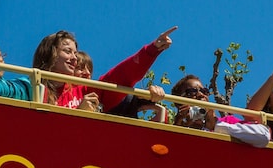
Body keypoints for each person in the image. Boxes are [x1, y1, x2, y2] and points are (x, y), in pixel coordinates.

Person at [31, 27, 175, 112]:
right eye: (68, 51)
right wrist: (79, 113)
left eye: (75, 53)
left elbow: (121, 75)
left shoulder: (86, 91)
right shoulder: (29, 88)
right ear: (51, 53)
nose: (74, 58)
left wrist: (151, 50)